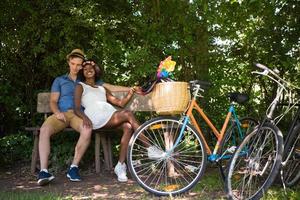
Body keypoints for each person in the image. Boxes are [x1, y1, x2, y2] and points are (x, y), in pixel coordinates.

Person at [37, 49, 132, 186]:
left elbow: (110, 87)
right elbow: (52, 101)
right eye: (73, 64)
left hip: (79, 115)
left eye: (78, 64)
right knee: (44, 129)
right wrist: (57, 112)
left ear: (82, 66)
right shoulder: (60, 80)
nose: (75, 67)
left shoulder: (88, 81)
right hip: (62, 114)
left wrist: (131, 88)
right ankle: (44, 171)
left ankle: (73, 168)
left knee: (87, 129)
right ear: (68, 63)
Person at [74, 60, 141, 182]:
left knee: (128, 126)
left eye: (91, 68)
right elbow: (77, 108)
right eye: (85, 69)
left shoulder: (102, 88)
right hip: (95, 116)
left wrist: (131, 91)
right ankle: (150, 147)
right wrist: (85, 118)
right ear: (82, 73)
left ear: (95, 71)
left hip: (109, 114)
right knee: (128, 114)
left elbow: (120, 103)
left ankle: (120, 166)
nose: (88, 70)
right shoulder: (80, 86)